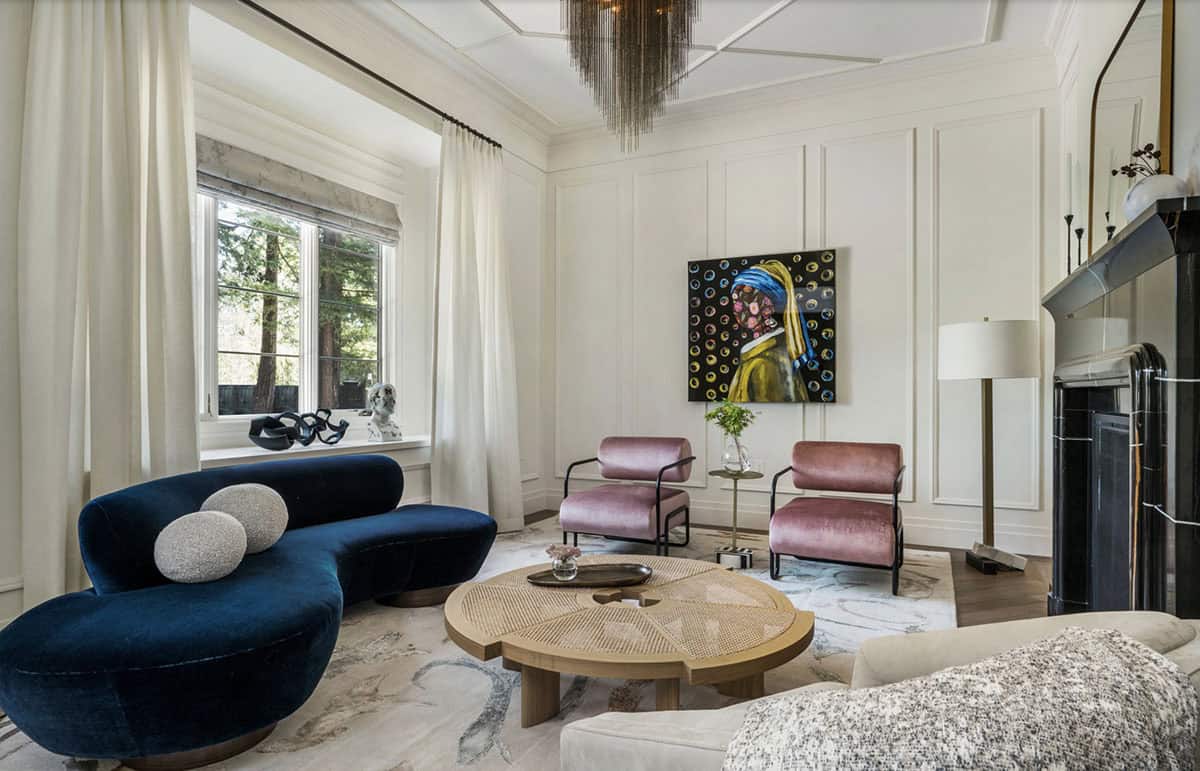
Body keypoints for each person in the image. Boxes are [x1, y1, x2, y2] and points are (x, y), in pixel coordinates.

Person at [728, 259, 813, 402]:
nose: (738, 307)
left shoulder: (765, 362)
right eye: (736, 298)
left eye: (747, 297)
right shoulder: (759, 354)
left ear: (770, 305)